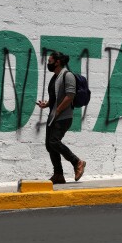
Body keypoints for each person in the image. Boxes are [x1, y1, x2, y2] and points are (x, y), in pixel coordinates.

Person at [36, 51, 86, 184]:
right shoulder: (55, 77)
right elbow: (55, 98)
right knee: (50, 145)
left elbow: (70, 95)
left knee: (54, 141)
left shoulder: (67, 75)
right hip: (54, 116)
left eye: (50, 61)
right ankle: (58, 174)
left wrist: (58, 110)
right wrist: (46, 104)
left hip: (64, 116)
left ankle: (78, 162)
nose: (48, 64)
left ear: (57, 62)